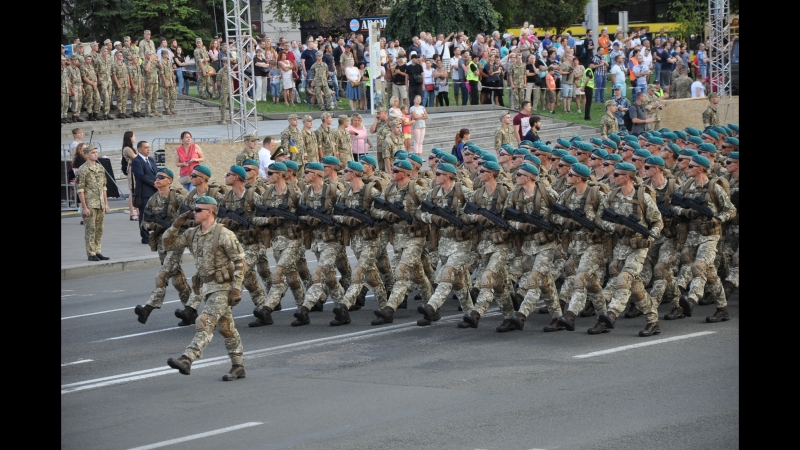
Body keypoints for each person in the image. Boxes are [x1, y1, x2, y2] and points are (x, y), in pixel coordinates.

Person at [163, 196, 246, 381]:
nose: (194, 212)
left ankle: (187, 358)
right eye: (194, 209)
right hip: (204, 287)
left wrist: (236, 288)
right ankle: (238, 366)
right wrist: (175, 225)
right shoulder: (192, 233)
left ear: (210, 212)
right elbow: (168, 244)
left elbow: (240, 262)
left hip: (223, 287)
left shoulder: (224, 234)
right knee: (226, 328)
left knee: (204, 320)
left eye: (198, 210)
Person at [674, 155, 736, 323]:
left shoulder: (714, 187)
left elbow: (730, 210)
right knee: (710, 274)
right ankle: (723, 309)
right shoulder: (686, 186)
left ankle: (692, 299)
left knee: (699, 266)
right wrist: (684, 212)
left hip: (710, 235)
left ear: (701, 169)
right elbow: (673, 205)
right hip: (692, 235)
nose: (687, 168)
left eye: (691, 166)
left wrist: (718, 219)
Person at [134, 167, 193, 324]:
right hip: (161, 243)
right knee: (177, 279)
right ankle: (190, 312)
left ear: (170, 181)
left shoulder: (178, 198)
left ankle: (148, 308)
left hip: (176, 242)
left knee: (162, 275)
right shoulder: (153, 199)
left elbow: (190, 219)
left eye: (161, 177)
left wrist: (176, 228)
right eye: (156, 177)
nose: (157, 179)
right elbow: (143, 222)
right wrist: (152, 226)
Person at [77, 144, 110, 261]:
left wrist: (106, 203)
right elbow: (80, 190)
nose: (96, 154)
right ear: (86, 155)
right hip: (90, 204)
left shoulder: (100, 168)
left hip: (100, 203)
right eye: (93, 152)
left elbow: (104, 187)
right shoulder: (83, 169)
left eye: (96, 152)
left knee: (99, 229)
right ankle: (91, 253)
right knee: (90, 229)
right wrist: (84, 207)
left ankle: (97, 251)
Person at [131, 140, 158, 244]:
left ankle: (154, 235)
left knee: (154, 214)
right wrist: (154, 183)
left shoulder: (151, 160)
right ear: (139, 149)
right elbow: (141, 176)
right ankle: (145, 237)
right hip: (144, 192)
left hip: (155, 191)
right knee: (144, 215)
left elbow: (156, 173)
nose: (148, 149)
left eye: (149, 147)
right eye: (146, 147)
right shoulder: (137, 161)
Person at [121, 131, 139, 220]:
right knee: (132, 192)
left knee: (135, 192)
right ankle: (132, 214)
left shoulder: (129, 148)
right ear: (129, 138)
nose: (135, 137)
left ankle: (138, 212)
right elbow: (135, 157)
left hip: (133, 170)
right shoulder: (127, 148)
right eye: (133, 136)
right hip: (132, 171)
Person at [160, 50, 177, 115]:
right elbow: (162, 74)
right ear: (163, 55)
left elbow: (172, 72)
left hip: (171, 82)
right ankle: (167, 109)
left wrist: (174, 81)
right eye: (167, 54)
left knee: (174, 96)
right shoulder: (161, 63)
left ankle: (171, 108)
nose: (168, 55)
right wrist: (165, 83)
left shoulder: (169, 62)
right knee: (166, 97)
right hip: (165, 82)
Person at [217, 58, 230, 124]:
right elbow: (218, 82)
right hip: (224, 90)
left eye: (228, 63)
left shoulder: (231, 70)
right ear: (224, 63)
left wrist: (231, 71)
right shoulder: (221, 71)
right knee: (224, 105)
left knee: (232, 105)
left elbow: (235, 77)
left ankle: (232, 117)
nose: (227, 64)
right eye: (226, 63)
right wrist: (222, 87)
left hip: (231, 90)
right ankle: (223, 119)